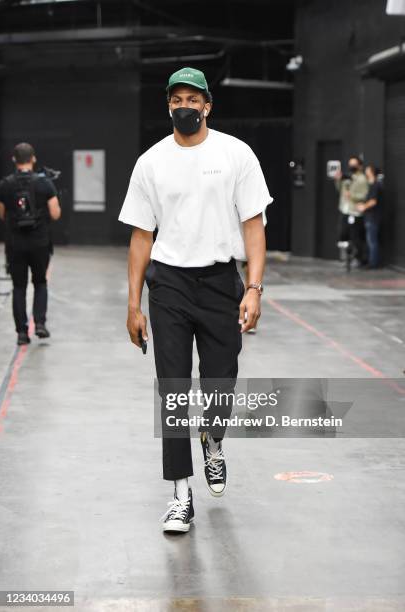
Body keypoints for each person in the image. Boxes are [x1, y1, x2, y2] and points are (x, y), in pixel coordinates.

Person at [118, 67, 272, 533]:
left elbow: (253, 226)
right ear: (168, 105)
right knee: (173, 387)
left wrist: (253, 287)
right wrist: (133, 304)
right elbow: (142, 238)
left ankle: (212, 437)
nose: (184, 106)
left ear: (207, 105)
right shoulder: (151, 162)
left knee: (222, 378)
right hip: (168, 285)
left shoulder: (235, 154)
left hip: (222, 281)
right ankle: (181, 494)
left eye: (193, 99)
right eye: (176, 99)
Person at [0, 143, 61, 345]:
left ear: (14, 160)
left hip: (15, 243)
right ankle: (40, 324)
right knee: (40, 282)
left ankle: (22, 333)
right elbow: (55, 213)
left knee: (19, 286)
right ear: (33, 159)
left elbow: (1, 213)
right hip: (39, 242)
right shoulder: (45, 184)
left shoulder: (5, 184)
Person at [334, 156, 368, 265]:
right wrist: (338, 180)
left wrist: (352, 196)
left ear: (359, 166)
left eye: (354, 164)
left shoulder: (362, 179)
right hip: (344, 209)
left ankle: (359, 259)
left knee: (356, 237)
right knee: (342, 234)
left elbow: (364, 195)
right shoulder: (347, 177)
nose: (351, 166)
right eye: (350, 164)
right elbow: (340, 189)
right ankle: (345, 257)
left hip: (355, 212)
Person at [356, 164, 382, 269]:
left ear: (371, 172)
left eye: (367, 169)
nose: (365, 171)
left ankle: (373, 264)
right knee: (370, 240)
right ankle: (370, 262)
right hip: (369, 217)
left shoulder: (375, 185)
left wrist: (363, 207)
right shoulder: (372, 185)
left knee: (372, 241)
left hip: (373, 218)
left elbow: (373, 201)